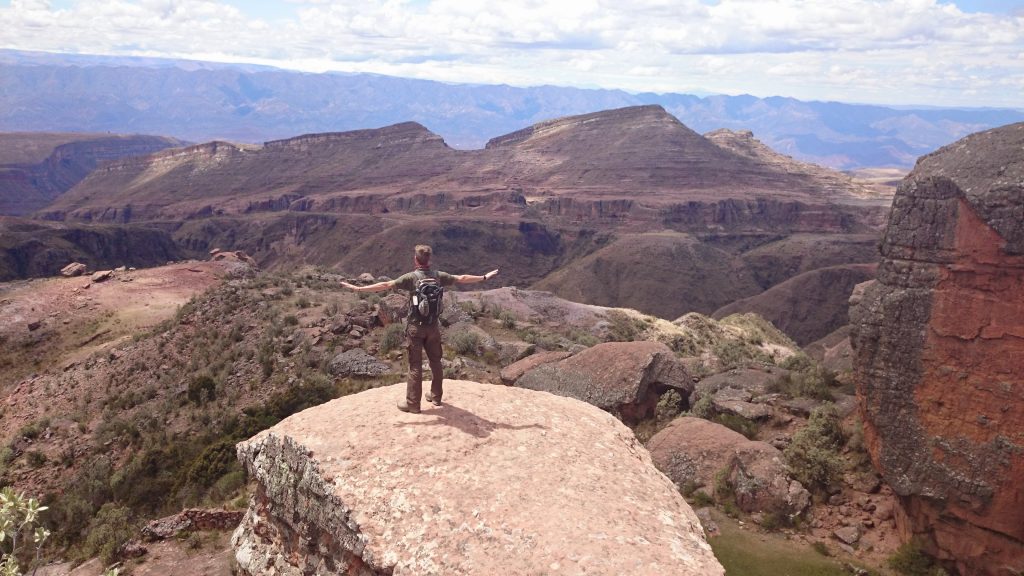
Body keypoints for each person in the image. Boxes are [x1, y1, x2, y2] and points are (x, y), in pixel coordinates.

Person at [340, 244, 498, 413]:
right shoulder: (439, 276)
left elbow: (386, 285)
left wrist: (358, 289)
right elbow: (462, 278)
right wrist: (484, 277)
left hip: (416, 328)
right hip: (433, 327)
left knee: (415, 366)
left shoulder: (411, 278)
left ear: (416, 259)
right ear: (429, 259)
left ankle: (413, 404)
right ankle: (436, 397)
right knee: (436, 362)